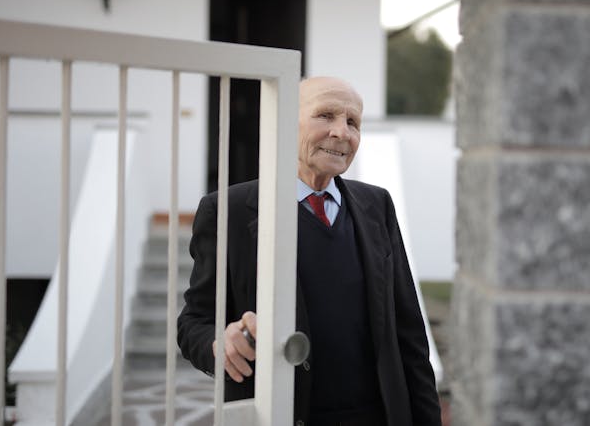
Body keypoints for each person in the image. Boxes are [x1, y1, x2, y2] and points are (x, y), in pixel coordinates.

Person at [177, 76, 441, 425]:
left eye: (352, 122)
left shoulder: (377, 205)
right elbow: (194, 322)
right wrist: (218, 343)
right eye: (326, 115)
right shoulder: (228, 211)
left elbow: (409, 333)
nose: (342, 133)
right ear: (285, 122)